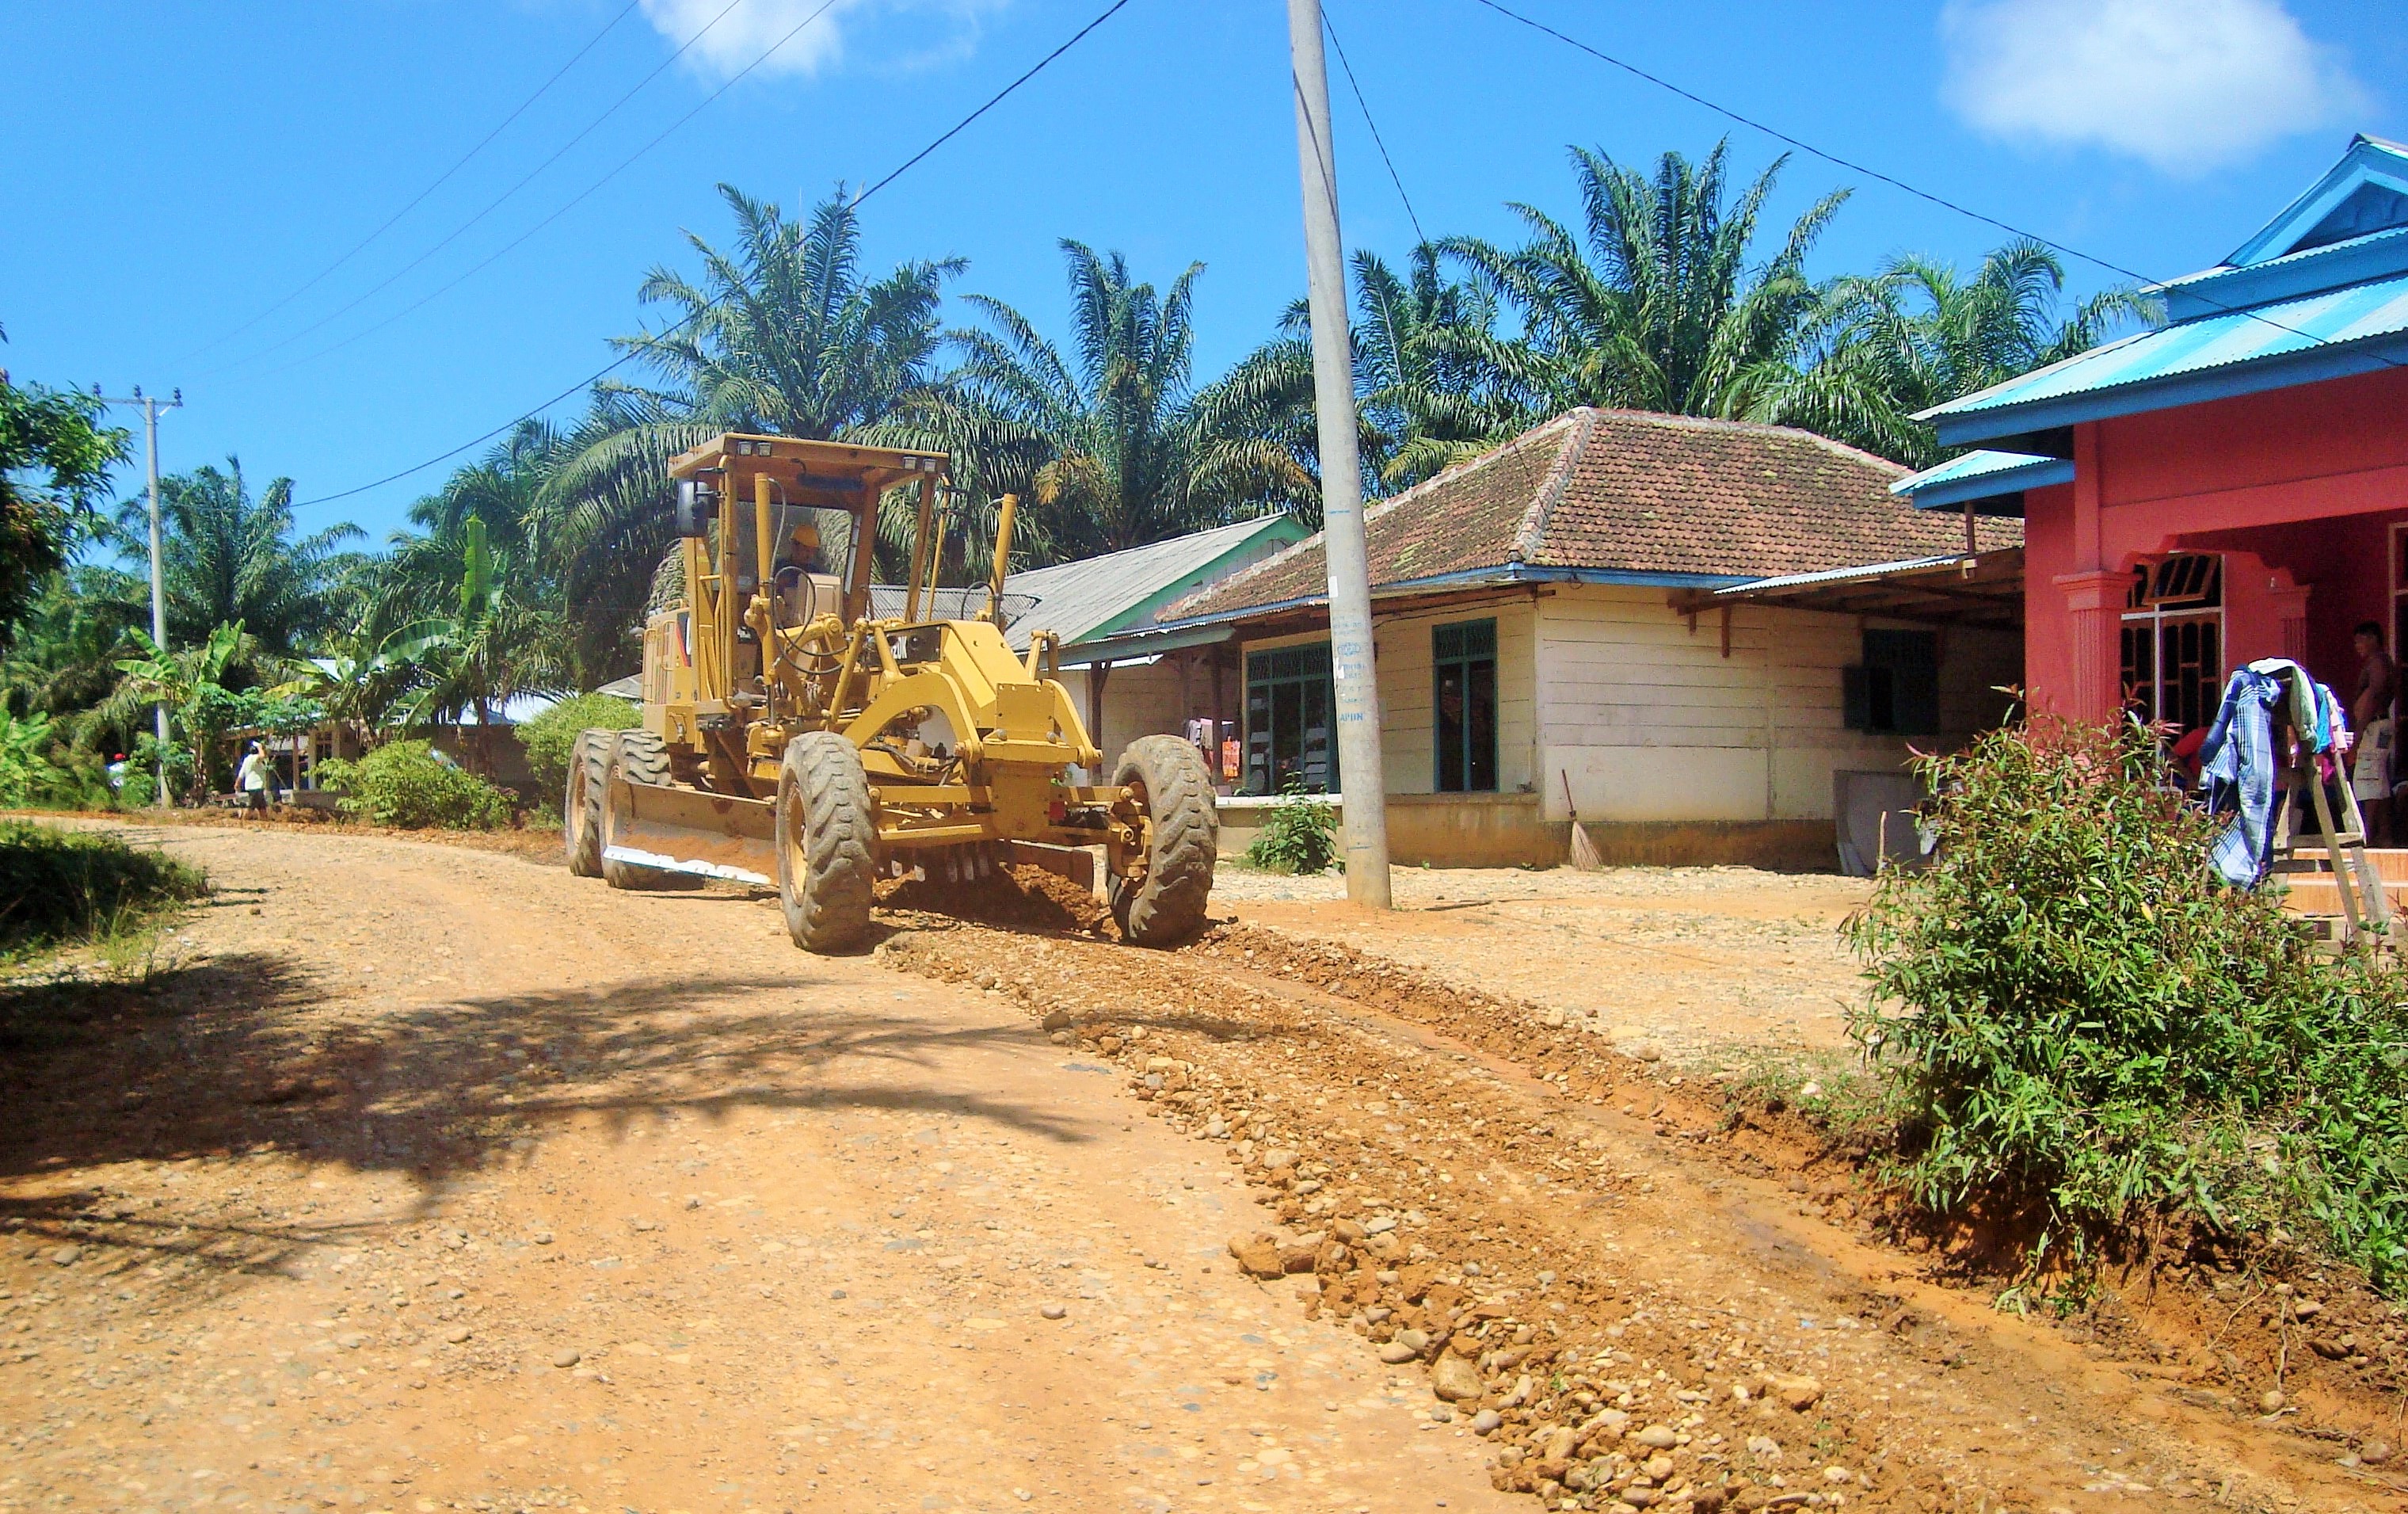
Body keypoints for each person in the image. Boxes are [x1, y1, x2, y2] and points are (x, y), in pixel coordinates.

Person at [2351, 621, 2396, 843]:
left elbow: (2375, 695)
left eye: (2360, 640)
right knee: (2380, 780)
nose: (2357, 646)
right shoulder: (2381, 662)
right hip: (2379, 726)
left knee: (2369, 780)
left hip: (2374, 726)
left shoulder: (2378, 663)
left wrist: (2359, 733)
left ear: (2372, 639)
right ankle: (2385, 835)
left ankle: (2368, 836)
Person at [235, 740, 273, 816]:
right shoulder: (253, 758)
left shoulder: (247, 760)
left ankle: (264, 822)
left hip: (256, 787)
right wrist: (260, 747)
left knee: (262, 808)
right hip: (255, 787)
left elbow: (241, 773)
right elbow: (262, 756)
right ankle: (244, 821)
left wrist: (237, 783)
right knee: (251, 808)